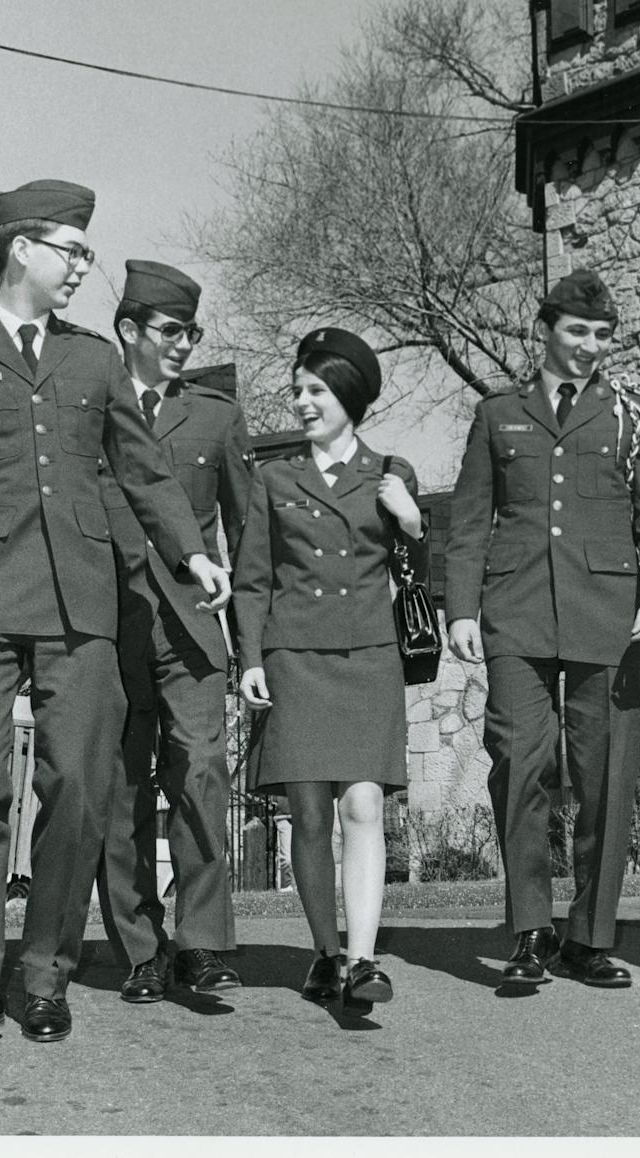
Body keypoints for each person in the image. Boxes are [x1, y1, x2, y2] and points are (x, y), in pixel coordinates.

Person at [0, 180, 230, 1046]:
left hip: (81, 602)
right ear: (19, 250)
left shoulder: (93, 362)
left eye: (87, 251)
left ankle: (44, 972)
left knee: (78, 790)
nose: (86, 265)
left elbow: (144, 472)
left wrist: (192, 553)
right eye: (71, 250)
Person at [444, 270, 640, 992]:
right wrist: (460, 608)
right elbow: (467, 522)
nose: (588, 347)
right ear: (543, 330)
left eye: (601, 335)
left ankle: (590, 935)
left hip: (608, 617)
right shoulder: (498, 415)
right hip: (515, 611)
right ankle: (528, 929)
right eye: (576, 332)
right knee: (518, 764)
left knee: (606, 775)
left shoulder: (630, 416)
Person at [233, 328, 425, 1011]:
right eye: (297, 389)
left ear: (348, 394)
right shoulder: (272, 479)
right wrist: (249, 660)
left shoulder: (391, 473)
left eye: (315, 389)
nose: (302, 401)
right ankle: (325, 951)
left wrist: (413, 523)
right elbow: (252, 581)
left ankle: (365, 958)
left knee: (364, 804)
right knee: (309, 816)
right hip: (294, 658)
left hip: (368, 658)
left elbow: (418, 582)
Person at [94, 260, 254, 1006]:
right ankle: (139, 947)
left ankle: (201, 942)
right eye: (170, 329)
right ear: (129, 330)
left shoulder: (216, 417)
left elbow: (249, 542)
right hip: (106, 625)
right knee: (121, 789)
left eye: (192, 330)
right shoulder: (86, 405)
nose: (185, 343)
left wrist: (251, 648)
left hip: (192, 628)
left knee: (201, 775)